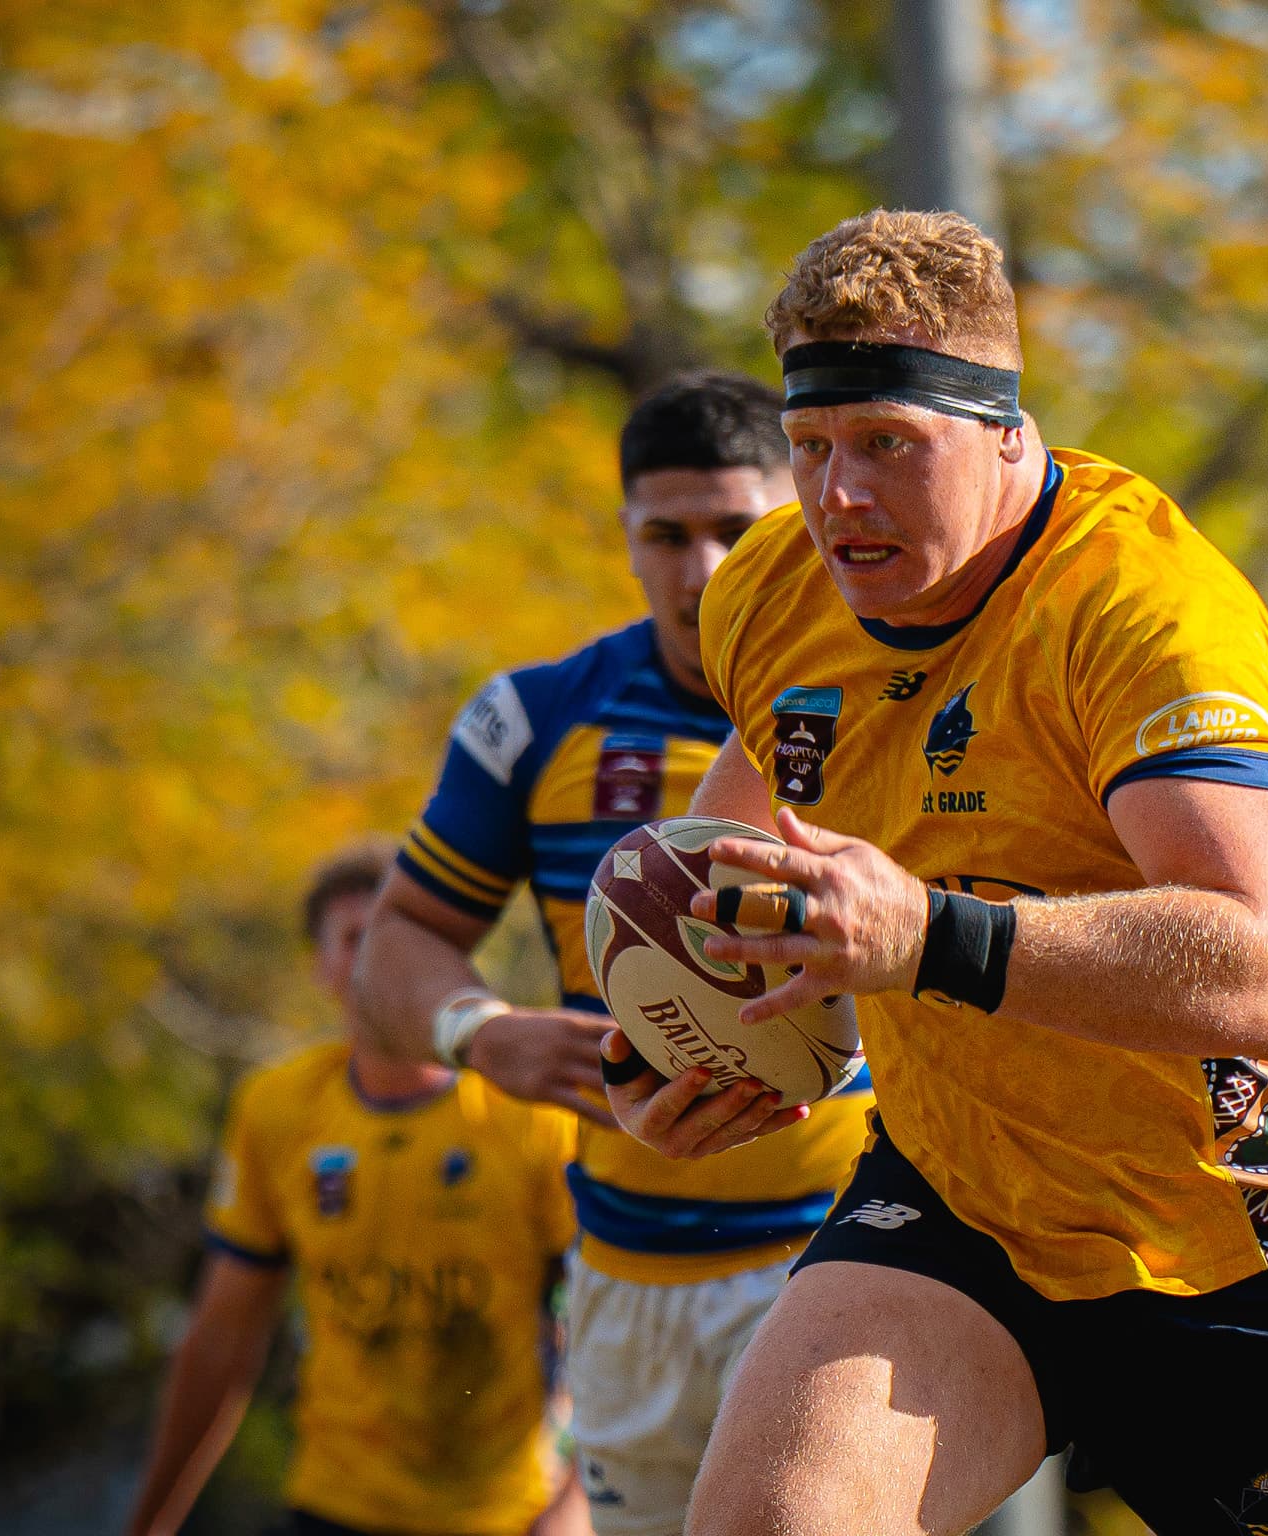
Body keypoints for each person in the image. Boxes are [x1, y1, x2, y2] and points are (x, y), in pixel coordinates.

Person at [601, 210, 1268, 1536]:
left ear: (1001, 430)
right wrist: (682, 1043)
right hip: (963, 1201)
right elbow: (730, 881)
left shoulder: (1141, 610)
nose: (837, 498)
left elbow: (1263, 970)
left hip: (1247, 1231)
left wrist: (924, 936)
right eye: (810, 448)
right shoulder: (770, 585)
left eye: (885, 446)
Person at [354, 374, 875, 1536]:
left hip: (846, 1250)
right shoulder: (537, 718)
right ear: (627, 539)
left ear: (793, 522)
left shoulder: (884, 696)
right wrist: (477, 1034)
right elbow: (398, 943)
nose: (700, 570)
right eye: (666, 534)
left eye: (735, 532)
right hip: (625, 1273)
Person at [125, 841, 583, 1536]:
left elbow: (609, 1327)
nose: (381, 962)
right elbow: (222, 1336)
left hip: (505, 1514)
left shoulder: (532, 1116)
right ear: (321, 968)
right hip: (333, 1509)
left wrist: (574, 1509)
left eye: (406, 941)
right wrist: (150, 1519)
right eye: (356, 938)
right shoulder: (278, 1110)